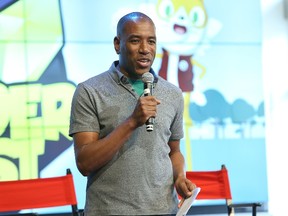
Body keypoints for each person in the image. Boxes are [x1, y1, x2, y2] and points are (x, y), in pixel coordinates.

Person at [69, 11, 196, 216]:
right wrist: (132, 122)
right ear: (118, 44)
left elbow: (174, 151)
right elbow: (84, 163)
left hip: (164, 210)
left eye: (151, 41)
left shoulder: (172, 93)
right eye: (135, 41)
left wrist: (180, 177)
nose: (145, 49)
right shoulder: (89, 91)